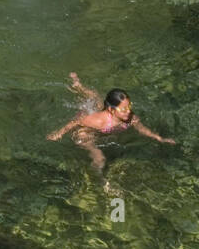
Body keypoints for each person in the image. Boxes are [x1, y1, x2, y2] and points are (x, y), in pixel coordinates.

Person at [47, 73, 176, 175]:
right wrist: (59, 133)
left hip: (105, 118)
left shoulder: (130, 117)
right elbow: (77, 121)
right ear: (111, 110)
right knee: (98, 156)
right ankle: (77, 85)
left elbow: (141, 128)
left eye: (129, 106)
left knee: (96, 98)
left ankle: (78, 85)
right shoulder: (98, 121)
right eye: (123, 109)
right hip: (87, 131)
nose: (128, 111)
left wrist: (159, 138)